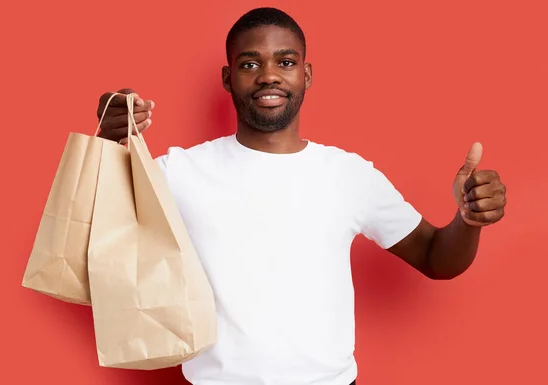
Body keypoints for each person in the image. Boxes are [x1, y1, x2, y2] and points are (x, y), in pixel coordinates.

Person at [95, 7, 507, 385]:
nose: (268, 75)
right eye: (250, 63)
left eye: (285, 62)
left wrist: (468, 219)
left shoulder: (348, 174)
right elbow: (97, 242)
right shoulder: (177, 172)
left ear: (306, 75)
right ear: (227, 77)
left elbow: (437, 258)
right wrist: (112, 143)